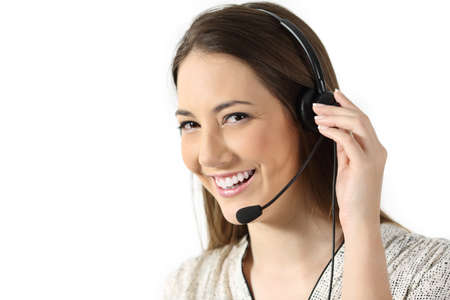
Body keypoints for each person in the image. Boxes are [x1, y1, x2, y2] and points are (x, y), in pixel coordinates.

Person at [164, 2, 450, 299]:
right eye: (190, 124)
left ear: (313, 118)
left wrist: (361, 230)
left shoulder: (430, 276)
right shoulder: (189, 287)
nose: (208, 156)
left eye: (236, 117)